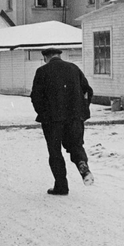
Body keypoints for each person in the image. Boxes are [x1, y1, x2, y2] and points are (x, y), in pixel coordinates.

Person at [29, 47, 94, 196]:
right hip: (75, 118)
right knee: (76, 145)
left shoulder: (42, 71)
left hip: (52, 120)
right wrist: (82, 110)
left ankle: (61, 186)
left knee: (55, 151)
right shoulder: (74, 68)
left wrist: (43, 113)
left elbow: (35, 97)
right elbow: (87, 91)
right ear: (59, 56)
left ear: (46, 57)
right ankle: (82, 165)